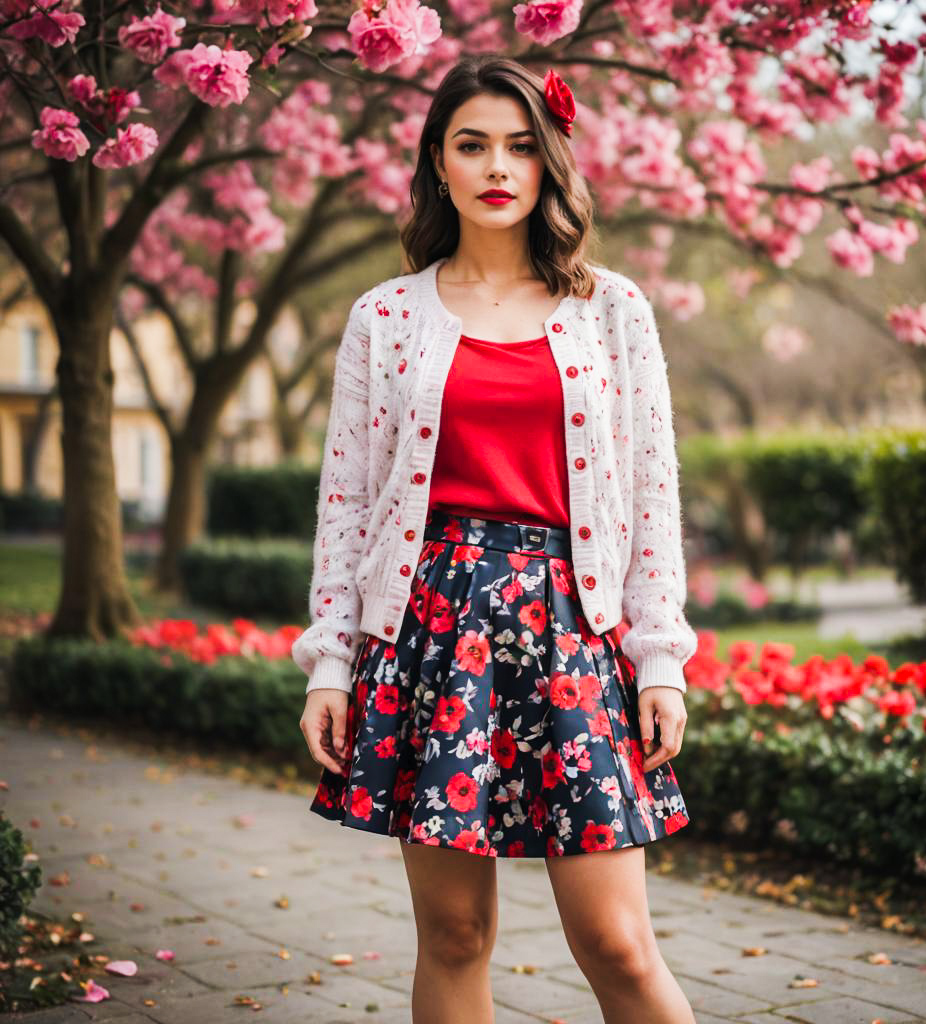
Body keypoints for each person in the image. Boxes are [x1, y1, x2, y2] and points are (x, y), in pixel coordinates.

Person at [296, 53, 700, 1024]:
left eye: (521, 146)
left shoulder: (613, 311)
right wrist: (328, 668)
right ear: (438, 161)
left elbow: (651, 491)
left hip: (575, 624)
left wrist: (660, 658)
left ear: (549, 161)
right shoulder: (384, 317)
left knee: (617, 942)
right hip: (432, 629)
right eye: (471, 144)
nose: (497, 167)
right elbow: (346, 502)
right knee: (454, 936)